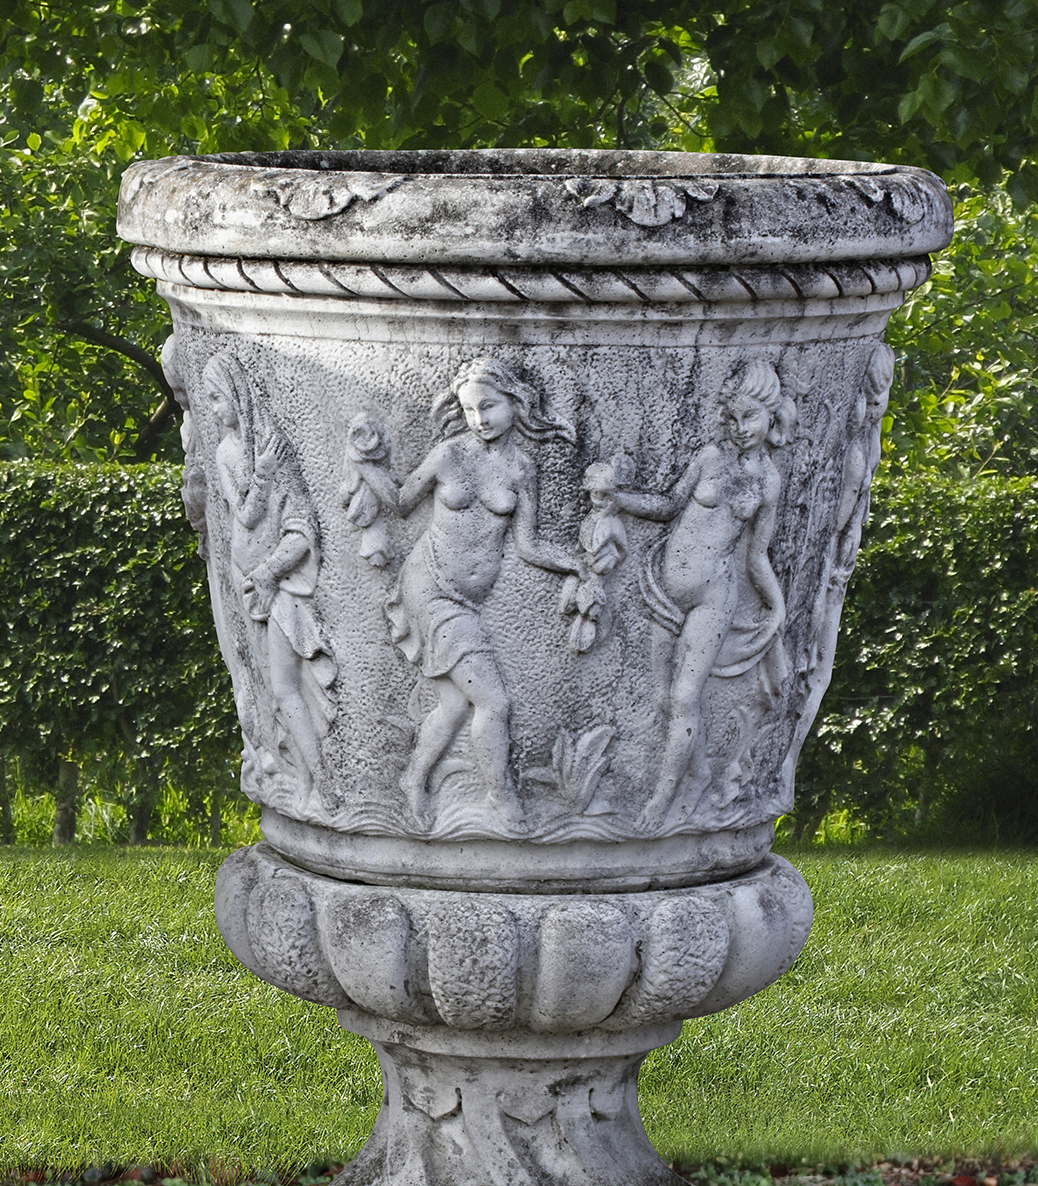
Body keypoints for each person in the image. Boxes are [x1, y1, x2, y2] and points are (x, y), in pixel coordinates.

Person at [378, 353, 581, 829]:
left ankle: (413, 779)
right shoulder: (450, 454)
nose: (479, 419)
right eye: (470, 410)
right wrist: (365, 465)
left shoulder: (520, 468)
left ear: (515, 402)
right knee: (494, 702)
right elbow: (402, 501)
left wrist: (571, 563)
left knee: (454, 705)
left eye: (488, 407)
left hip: (466, 598)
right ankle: (502, 797)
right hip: (429, 585)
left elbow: (528, 545)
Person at [607, 358, 795, 826]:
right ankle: (697, 777)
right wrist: (620, 499)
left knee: (684, 697)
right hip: (665, 591)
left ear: (771, 415)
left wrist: (775, 607)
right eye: (732, 418)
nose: (740, 427)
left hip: (713, 597)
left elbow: (756, 558)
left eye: (750, 417)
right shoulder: (710, 458)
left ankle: (662, 800)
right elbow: (671, 505)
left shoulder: (767, 481)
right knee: (663, 698)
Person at [198, 353, 336, 816]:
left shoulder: (273, 452)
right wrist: (264, 475)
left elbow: (301, 529)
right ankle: (308, 780)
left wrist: (271, 571)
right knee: (273, 690)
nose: (213, 409)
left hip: (282, 586)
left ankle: (320, 786)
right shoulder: (228, 452)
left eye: (217, 398)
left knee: (285, 688)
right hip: (252, 586)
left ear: (238, 395)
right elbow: (246, 513)